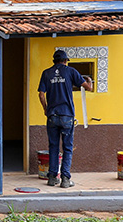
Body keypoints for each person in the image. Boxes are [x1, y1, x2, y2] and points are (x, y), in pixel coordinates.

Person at [38, 49, 93, 188]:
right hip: (67, 115)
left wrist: (46, 109)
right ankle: (65, 179)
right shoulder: (71, 71)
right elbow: (88, 88)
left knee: (53, 147)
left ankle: (52, 178)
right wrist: (89, 80)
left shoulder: (46, 73)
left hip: (52, 116)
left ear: (54, 61)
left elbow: (41, 94)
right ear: (65, 61)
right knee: (67, 148)